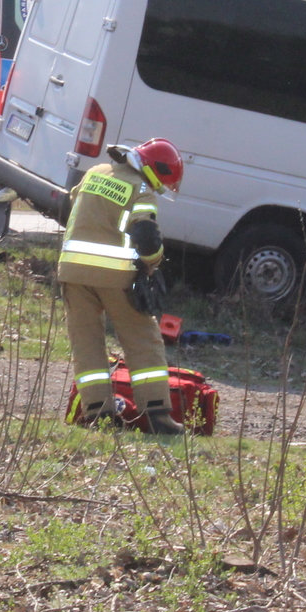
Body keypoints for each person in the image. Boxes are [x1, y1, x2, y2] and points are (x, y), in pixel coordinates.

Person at [58, 138, 186, 435]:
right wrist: (153, 263)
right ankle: (157, 415)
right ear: (155, 171)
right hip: (115, 277)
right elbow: (146, 237)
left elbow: (74, 205)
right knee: (142, 339)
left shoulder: (95, 173)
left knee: (86, 342)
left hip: (72, 271)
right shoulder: (141, 190)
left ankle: (98, 415)